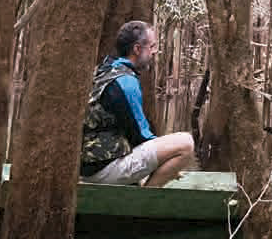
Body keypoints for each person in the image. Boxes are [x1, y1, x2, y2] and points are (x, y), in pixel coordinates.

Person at [80, 21, 196, 186]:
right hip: (102, 170)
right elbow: (141, 136)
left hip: (88, 166)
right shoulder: (125, 81)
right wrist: (166, 162)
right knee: (185, 143)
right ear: (137, 49)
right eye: (152, 46)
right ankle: (146, 201)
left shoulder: (104, 69)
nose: (155, 52)